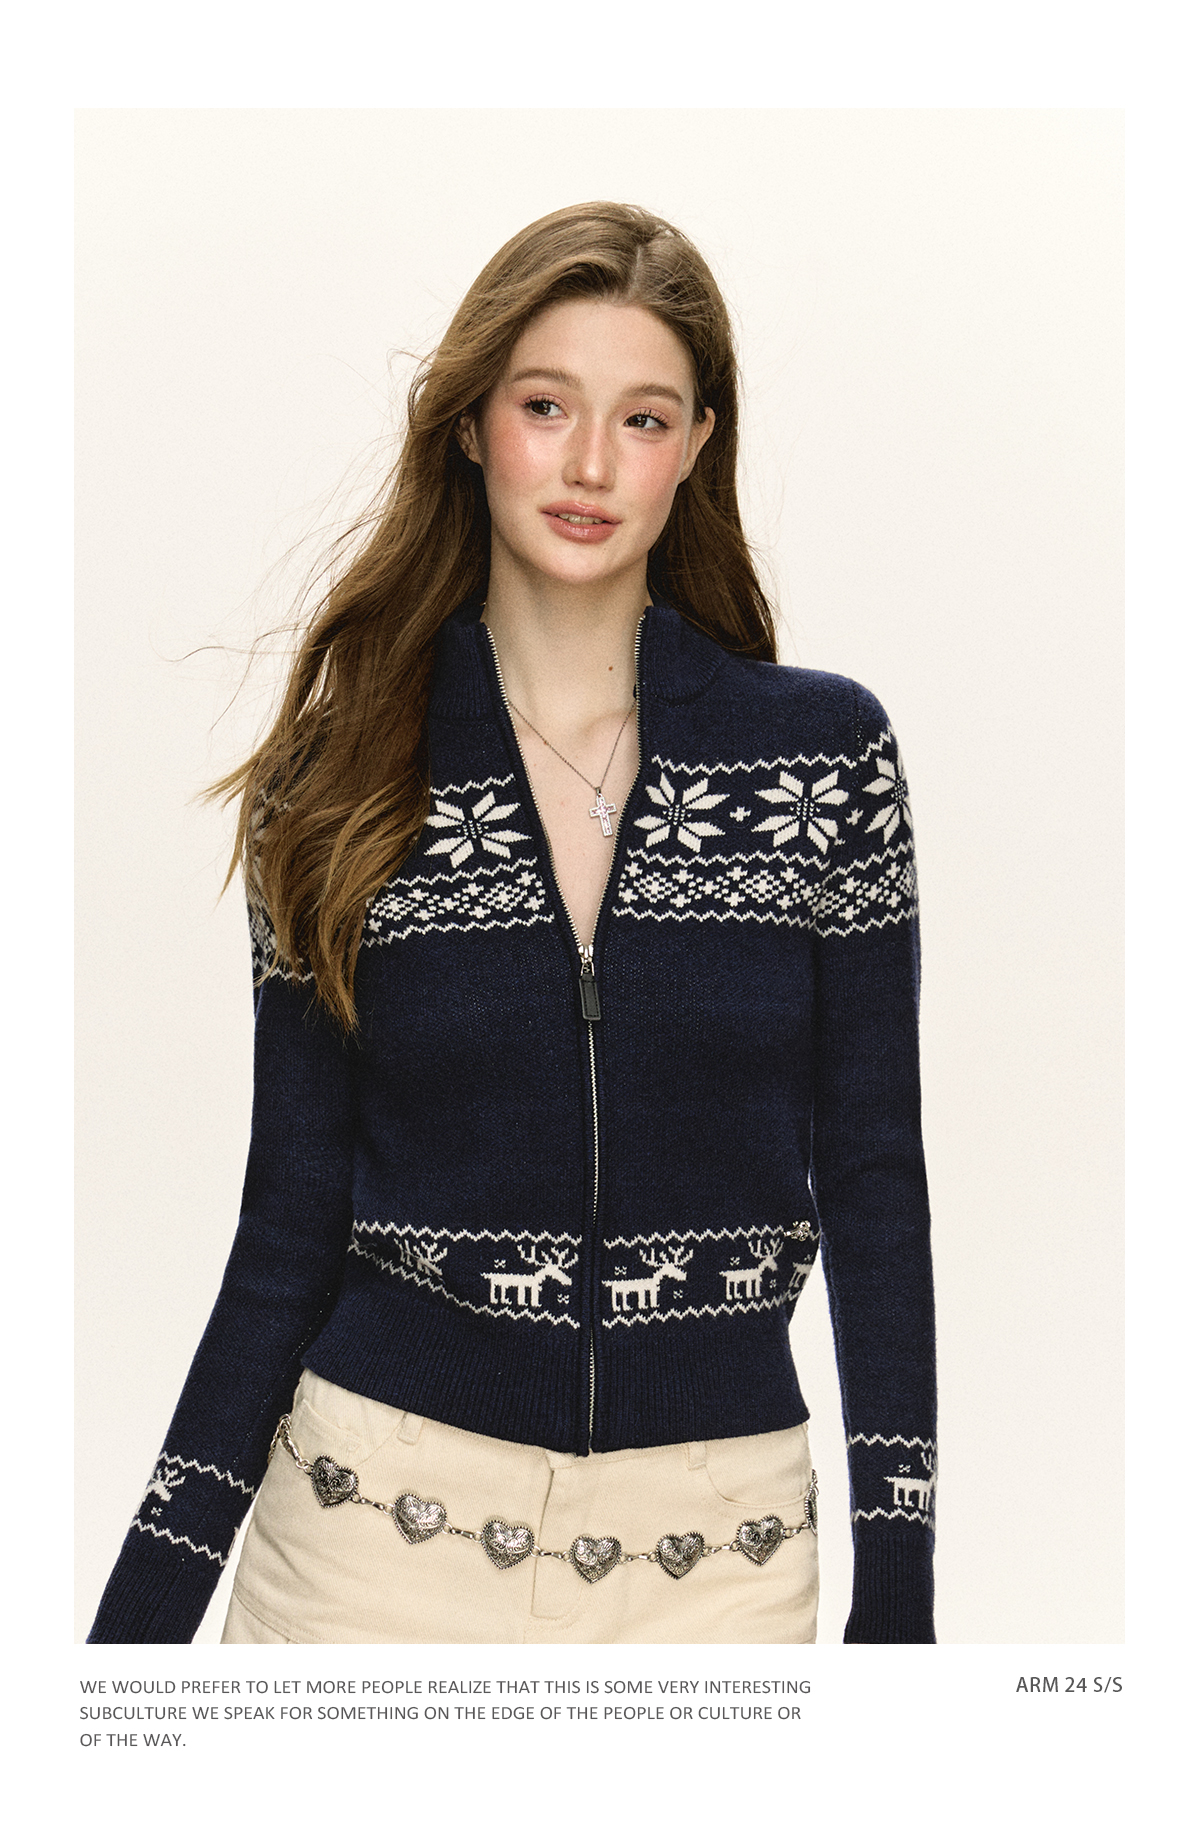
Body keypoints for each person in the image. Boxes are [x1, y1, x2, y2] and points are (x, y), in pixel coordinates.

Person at [88, 201, 937, 1646]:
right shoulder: (343, 782)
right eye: (547, 406)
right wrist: (128, 1650)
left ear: (698, 446)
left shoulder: (818, 765)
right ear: (474, 424)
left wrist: (901, 1604)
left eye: (644, 418)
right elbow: (289, 1222)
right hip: (365, 1549)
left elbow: (871, 1178)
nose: (591, 463)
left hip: (715, 1570)